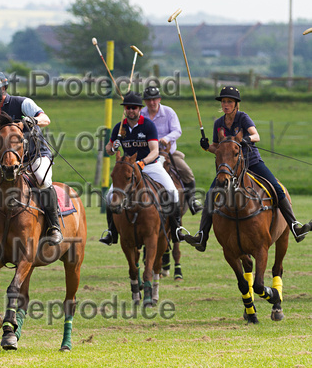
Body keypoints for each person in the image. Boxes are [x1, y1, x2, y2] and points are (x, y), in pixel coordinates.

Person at [183, 86, 312, 251]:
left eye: (229, 101)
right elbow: (219, 149)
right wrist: (207, 147)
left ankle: (294, 226)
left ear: (236, 104)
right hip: (230, 169)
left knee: (276, 187)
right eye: (223, 101)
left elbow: (256, 136)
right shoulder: (218, 123)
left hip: (251, 162)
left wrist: (246, 139)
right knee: (210, 196)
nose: (225, 104)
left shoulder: (243, 118)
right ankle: (202, 236)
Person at [0, 70, 63, 245]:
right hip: (8, 163)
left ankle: (54, 227)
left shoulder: (22, 103)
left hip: (35, 157)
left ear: (2, 89)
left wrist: (33, 121)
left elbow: (46, 119)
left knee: (42, 181)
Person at [99, 91, 184, 245]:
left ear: (139, 109)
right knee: (110, 196)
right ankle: (111, 232)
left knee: (172, 192)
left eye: (134, 108)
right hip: (127, 169)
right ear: (125, 109)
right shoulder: (120, 127)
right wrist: (113, 147)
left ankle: (176, 228)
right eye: (128, 108)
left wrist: (142, 163)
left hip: (150, 165)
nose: (131, 110)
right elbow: (109, 149)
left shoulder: (148, 125)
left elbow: (155, 151)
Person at [141, 86, 203, 214]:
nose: (152, 102)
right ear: (145, 101)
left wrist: (167, 138)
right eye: (148, 100)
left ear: (159, 99)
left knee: (187, 172)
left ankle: (192, 201)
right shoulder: (141, 114)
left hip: (168, 153)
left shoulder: (169, 112)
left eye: (154, 99)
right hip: (148, 154)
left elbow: (177, 130)